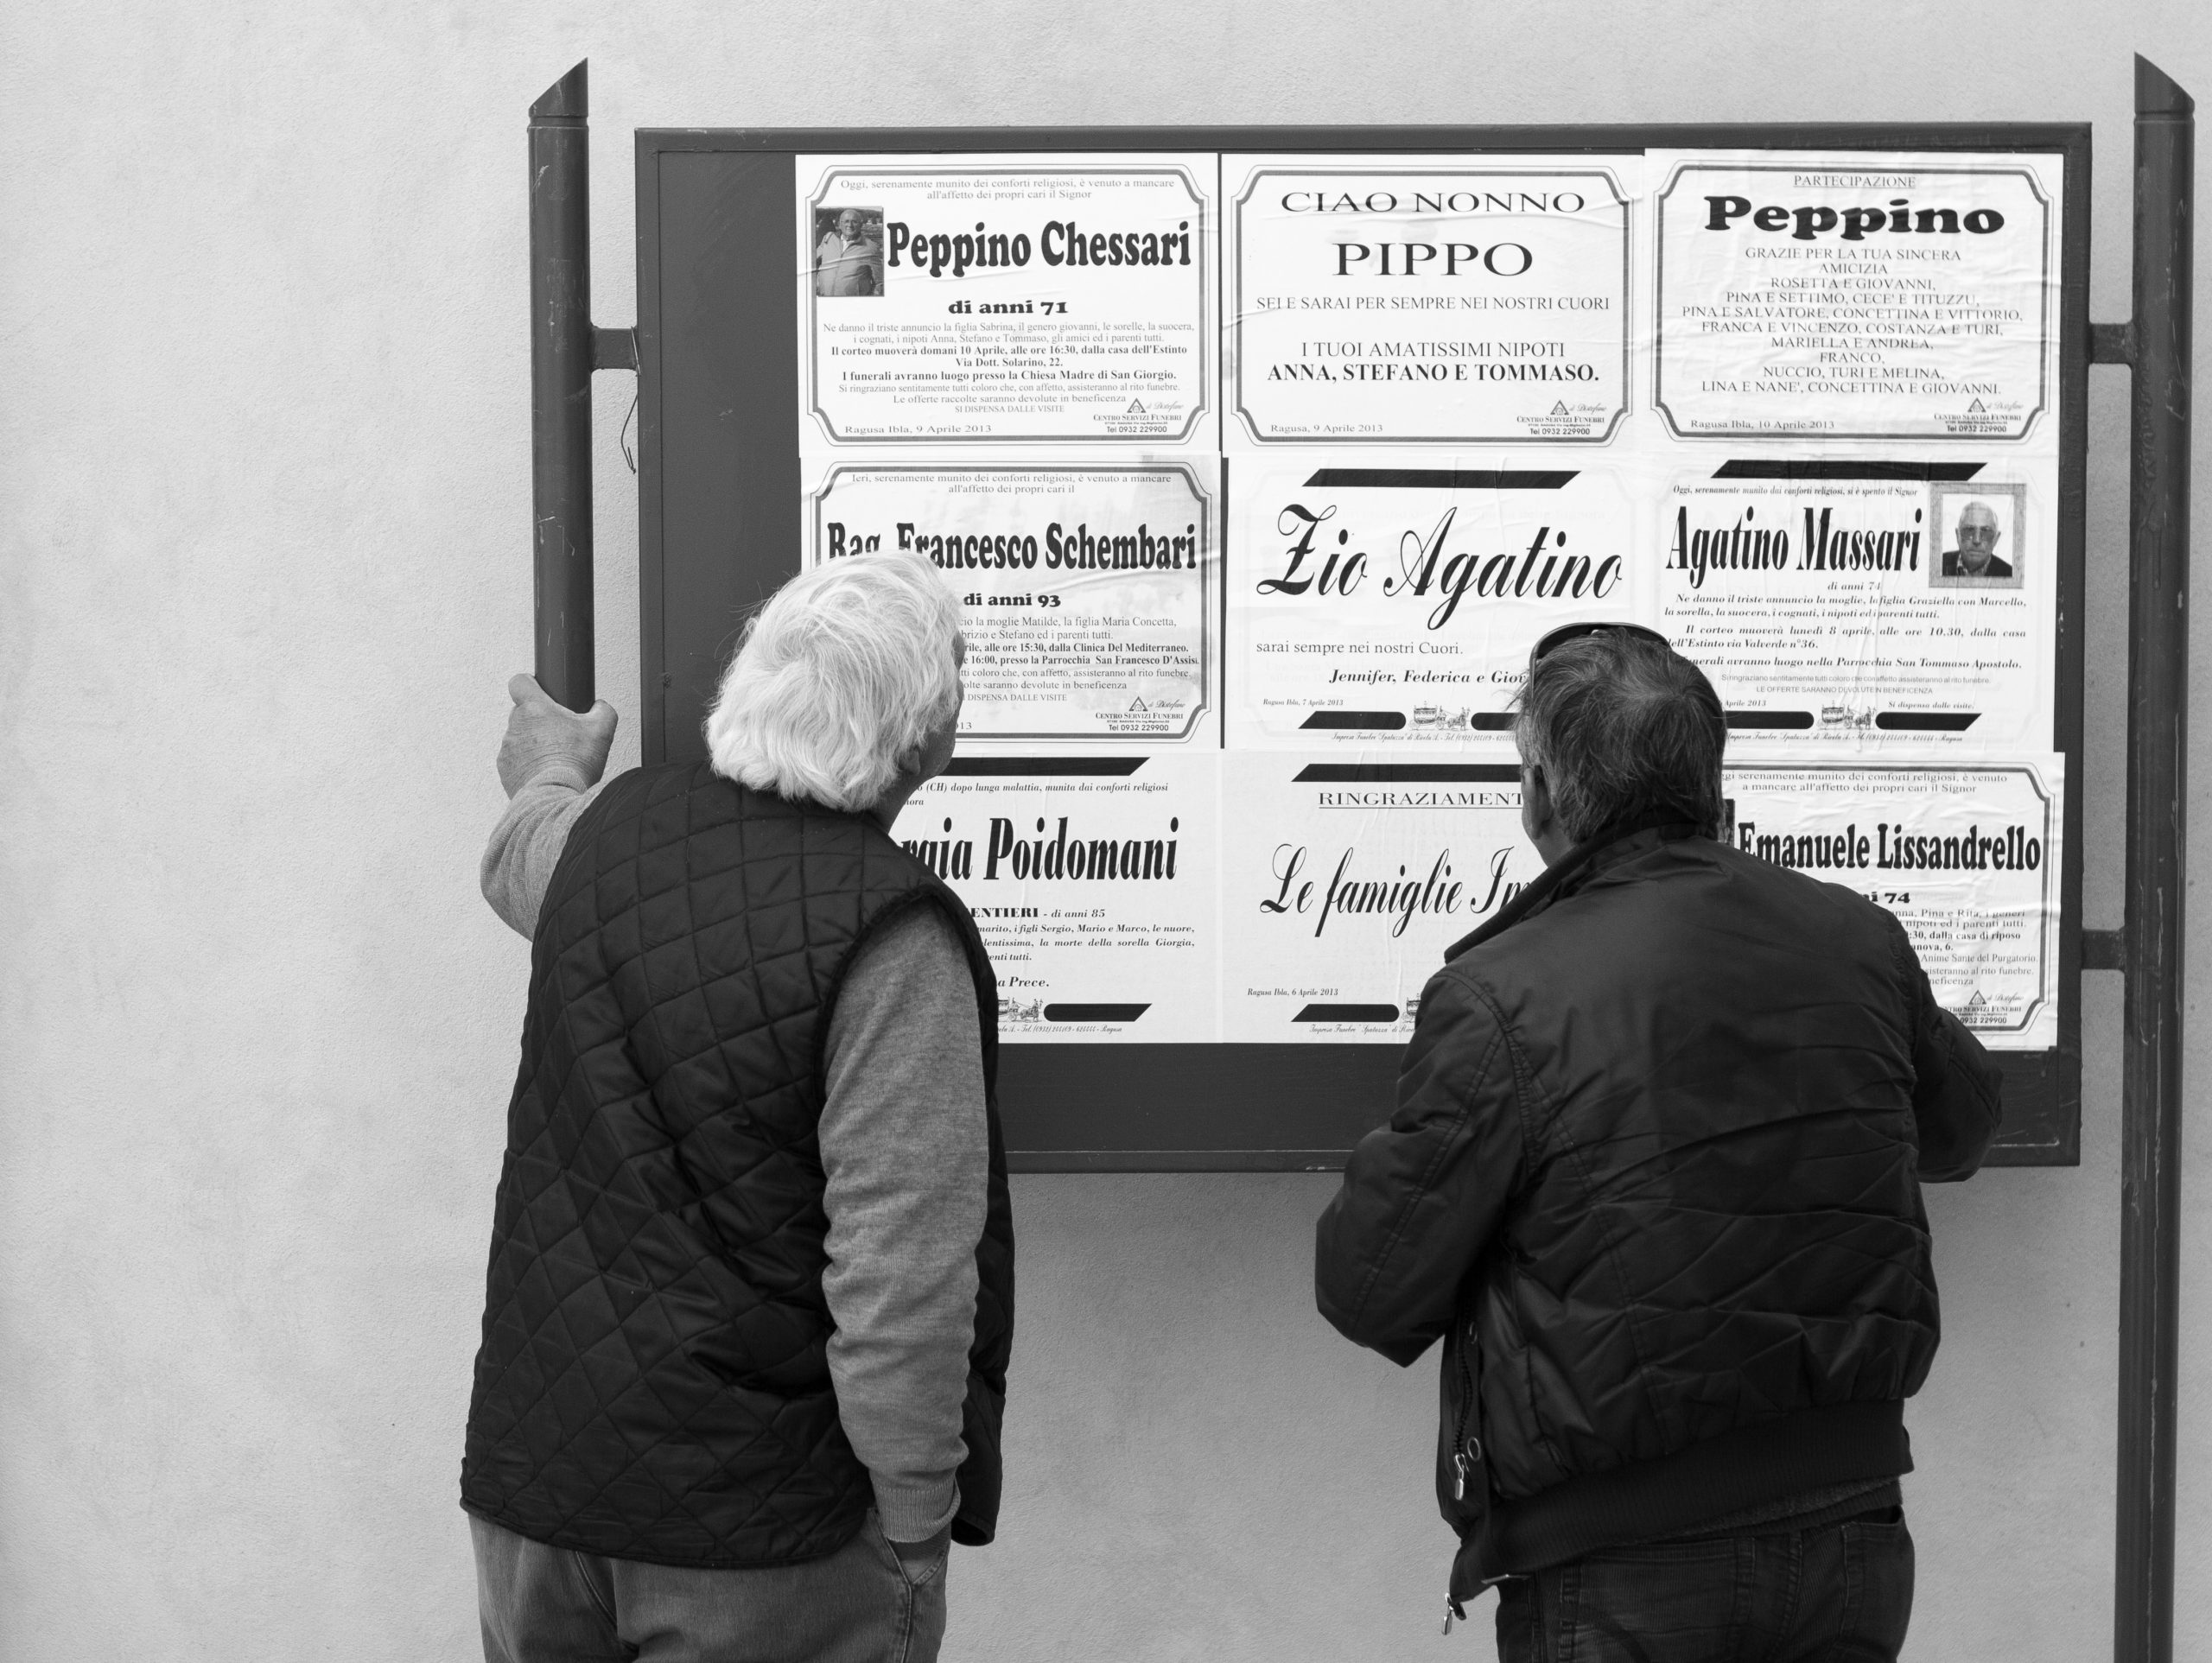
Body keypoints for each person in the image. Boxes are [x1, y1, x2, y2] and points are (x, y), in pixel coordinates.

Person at [1313, 624, 2002, 1663]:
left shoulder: (1500, 992)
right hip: (1850, 1535)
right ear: (1708, 784)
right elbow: (1962, 1127)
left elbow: (1369, 1285)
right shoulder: (1857, 938)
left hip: (1622, 1561)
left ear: (1540, 793)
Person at [461, 554, 1012, 1663]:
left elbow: (520, 853)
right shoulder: (895, 939)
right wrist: (915, 1527)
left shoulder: (608, 840)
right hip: (760, 1544)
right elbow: (899, 1284)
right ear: (928, 742)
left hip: (540, 1498)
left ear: (751, 687)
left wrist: (549, 767)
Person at [816, 207, 884, 297]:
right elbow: (812, 260)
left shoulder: (870, 247)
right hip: (824, 298)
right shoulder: (828, 238)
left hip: (853, 303)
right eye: (846, 221)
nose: (850, 225)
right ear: (840, 224)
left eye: (854, 222)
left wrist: (869, 301)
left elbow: (879, 283)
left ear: (860, 225)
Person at [1940, 500, 2013, 578]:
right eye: (1969, 530)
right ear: (1958, 535)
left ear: (1996, 539)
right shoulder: (1937, 564)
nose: (1977, 540)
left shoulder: (2010, 574)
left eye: (1985, 531)